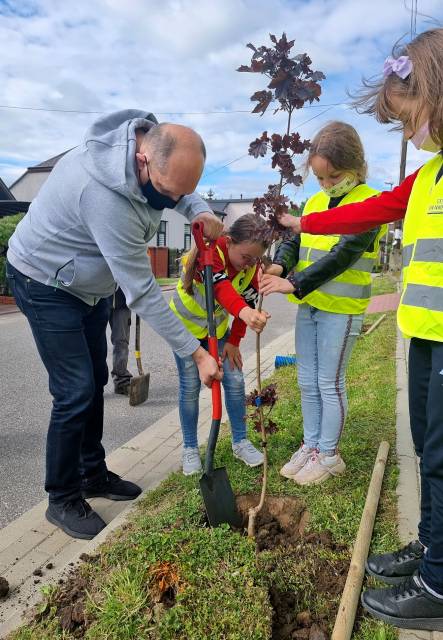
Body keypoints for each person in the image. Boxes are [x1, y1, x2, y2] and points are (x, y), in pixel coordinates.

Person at [275, 29, 443, 632]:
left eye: (406, 117)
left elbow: (355, 234)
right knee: (427, 448)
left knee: (442, 453)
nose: (406, 132)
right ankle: (429, 548)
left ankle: (439, 582)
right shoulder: (426, 177)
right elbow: (362, 215)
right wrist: (300, 221)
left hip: (429, 331)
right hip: (424, 331)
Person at [6, 110, 223, 540]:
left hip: (87, 286)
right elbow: (142, 292)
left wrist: (197, 207)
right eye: (167, 193)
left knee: (98, 376)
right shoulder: (101, 194)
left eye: (184, 192)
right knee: (74, 390)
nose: (171, 202)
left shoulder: (157, 151)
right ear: (143, 160)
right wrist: (196, 352)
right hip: (44, 280)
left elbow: (180, 193)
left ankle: (93, 474)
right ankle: (63, 498)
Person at [260, 121, 385, 486]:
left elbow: (343, 255)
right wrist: (280, 263)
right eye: (320, 179)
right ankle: (311, 444)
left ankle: (329, 455)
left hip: (340, 311)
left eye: (334, 177)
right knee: (306, 381)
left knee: (329, 382)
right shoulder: (313, 203)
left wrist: (293, 282)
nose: (327, 186)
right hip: (311, 307)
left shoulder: (369, 204)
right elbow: (293, 242)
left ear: (355, 166)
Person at [170, 213, 270, 475]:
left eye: (255, 259)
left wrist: (234, 342)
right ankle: (190, 448)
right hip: (186, 333)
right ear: (230, 241)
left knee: (235, 381)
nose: (249, 264)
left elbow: (247, 301)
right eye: (246, 257)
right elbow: (221, 289)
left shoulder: (250, 270)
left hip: (220, 332)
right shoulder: (211, 254)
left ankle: (241, 441)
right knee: (190, 387)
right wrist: (246, 314)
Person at [108, 288, 133, 395]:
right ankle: (93, 381)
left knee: (121, 341)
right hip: (97, 298)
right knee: (95, 341)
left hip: (122, 299)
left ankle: (121, 381)